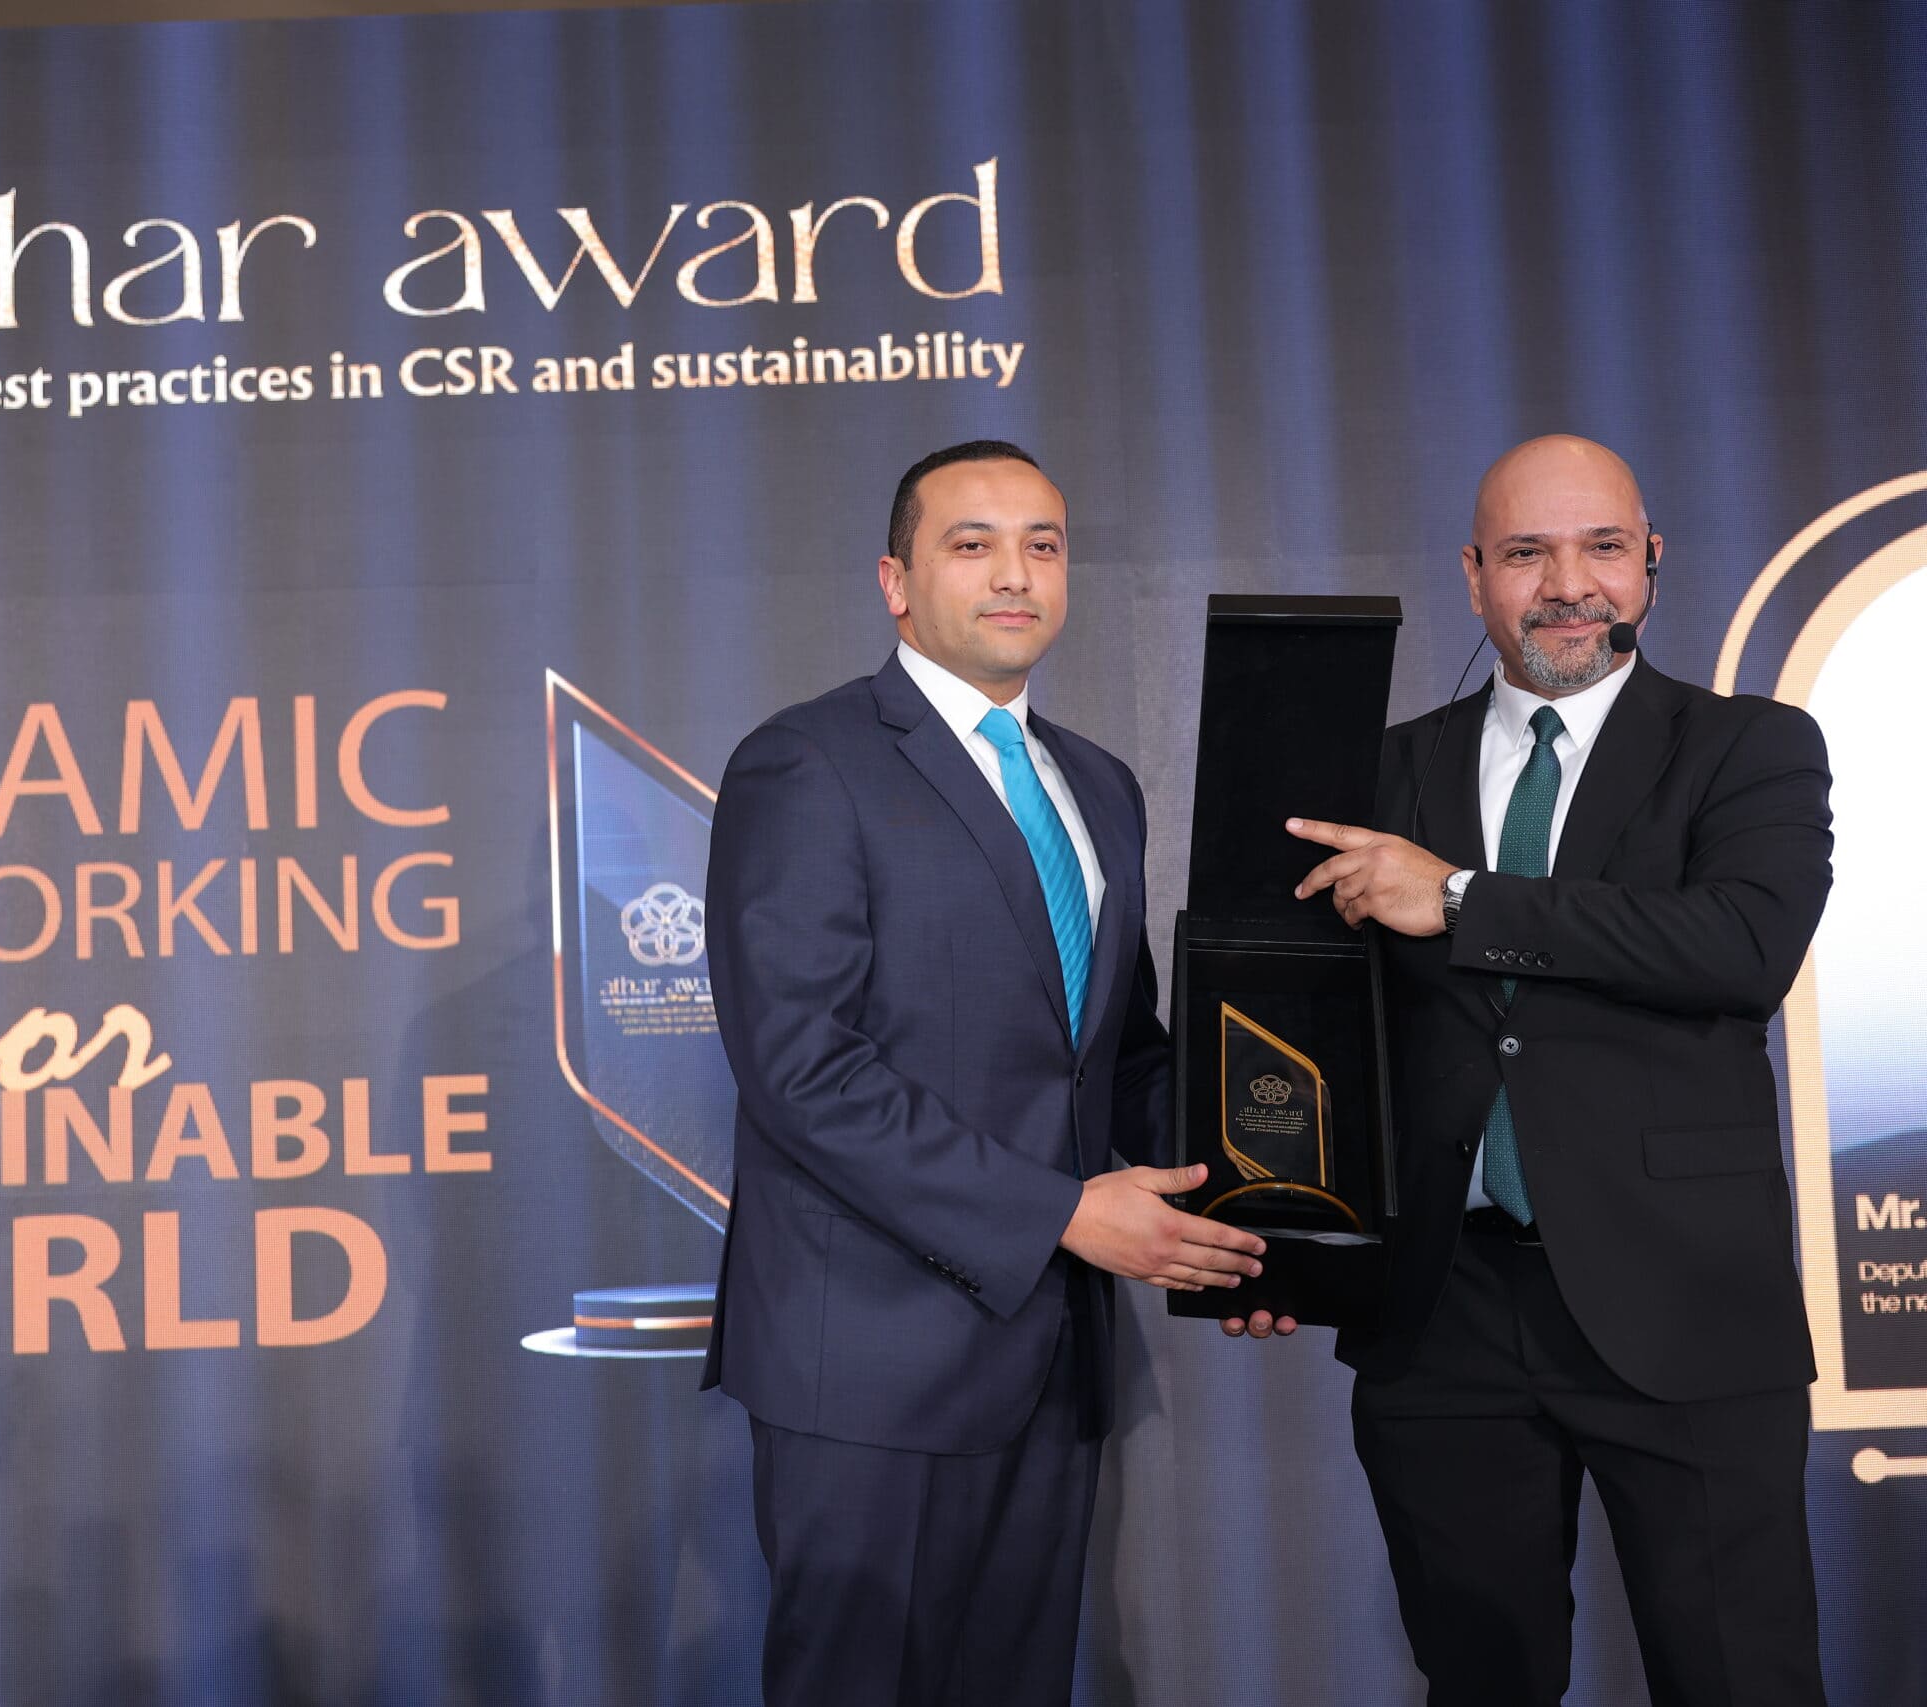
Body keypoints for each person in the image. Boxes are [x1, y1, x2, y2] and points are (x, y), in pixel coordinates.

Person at [1231, 435, 1831, 1705]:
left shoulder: (1749, 745)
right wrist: (1276, 1234)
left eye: (1601, 548)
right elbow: (1310, 1032)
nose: (1568, 585)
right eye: (1526, 554)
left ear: (1651, 562)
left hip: (1684, 1304)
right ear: (1472, 576)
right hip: (1441, 1316)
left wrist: (1458, 898)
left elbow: (1740, 948)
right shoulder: (1379, 771)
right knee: (1478, 1684)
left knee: (1740, 1679)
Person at [701, 440, 1265, 1707]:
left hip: (1050, 1358)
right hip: (870, 1364)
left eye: (1042, 545)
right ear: (895, 582)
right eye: (973, 544)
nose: (1016, 573)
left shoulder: (1098, 785)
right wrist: (1062, 1213)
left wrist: (1250, 1219)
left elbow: (1121, 1056)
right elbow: (801, 1068)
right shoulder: (807, 763)